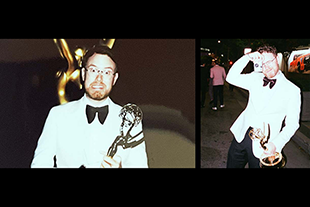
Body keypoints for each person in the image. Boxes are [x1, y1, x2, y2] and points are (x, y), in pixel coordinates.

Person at [31, 45, 148, 168]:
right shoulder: (58, 115)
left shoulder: (130, 120)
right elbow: (40, 164)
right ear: (83, 74)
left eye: (107, 72)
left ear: (114, 78)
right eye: (93, 70)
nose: (99, 78)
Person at [226, 45, 301, 168]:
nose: (266, 66)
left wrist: (275, 144)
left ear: (277, 59)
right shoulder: (255, 78)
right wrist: (247, 58)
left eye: (270, 61)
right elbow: (230, 78)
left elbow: (293, 124)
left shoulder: (292, 90)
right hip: (241, 137)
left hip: (265, 146)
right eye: (263, 63)